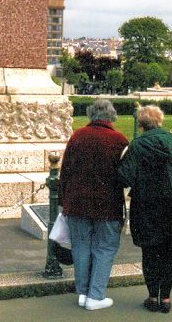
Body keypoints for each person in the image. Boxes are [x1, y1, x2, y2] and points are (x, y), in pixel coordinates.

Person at [118, 105, 172, 314]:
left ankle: (153, 296)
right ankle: (167, 297)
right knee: (169, 252)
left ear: (142, 125)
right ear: (160, 121)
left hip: (146, 204)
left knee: (150, 252)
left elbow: (124, 176)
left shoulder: (137, 145)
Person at [58, 99, 129, 310]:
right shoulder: (119, 140)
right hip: (107, 204)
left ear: (91, 114)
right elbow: (125, 175)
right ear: (112, 116)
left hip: (77, 202)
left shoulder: (77, 136)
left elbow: (65, 172)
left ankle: (82, 293)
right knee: (105, 247)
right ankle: (96, 295)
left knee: (80, 247)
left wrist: (63, 201)